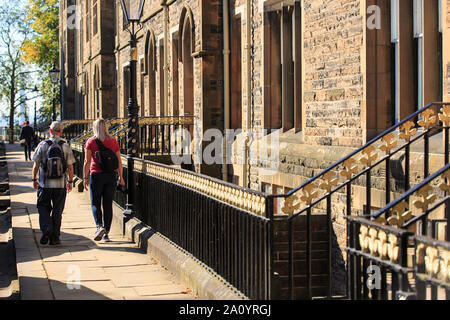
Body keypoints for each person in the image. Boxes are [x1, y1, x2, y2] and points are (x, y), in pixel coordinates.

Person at [32, 121, 76, 245]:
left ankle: (46, 228)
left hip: (45, 184)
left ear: (50, 131)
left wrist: (34, 179)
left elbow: (36, 165)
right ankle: (55, 238)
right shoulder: (65, 146)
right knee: (57, 210)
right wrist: (70, 181)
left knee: (43, 207)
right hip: (60, 184)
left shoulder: (42, 145)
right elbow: (70, 167)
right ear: (61, 132)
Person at [83, 118, 125, 242]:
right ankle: (106, 234)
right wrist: (121, 177)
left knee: (95, 203)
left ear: (94, 128)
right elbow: (119, 162)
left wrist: (85, 177)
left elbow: (87, 161)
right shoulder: (113, 141)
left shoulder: (91, 142)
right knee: (108, 204)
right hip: (111, 176)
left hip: (96, 176)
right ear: (105, 127)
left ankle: (99, 226)